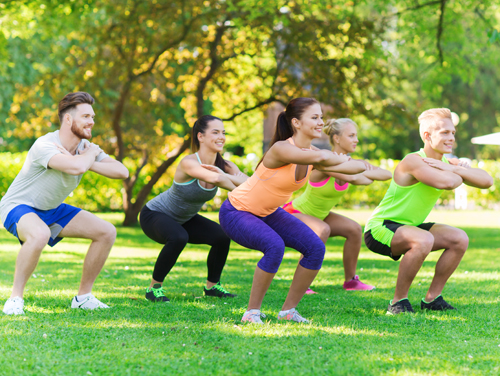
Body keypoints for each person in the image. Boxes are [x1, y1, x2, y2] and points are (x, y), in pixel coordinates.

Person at [218, 98, 367, 324]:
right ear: (296, 122)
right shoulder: (282, 149)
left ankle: (288, 311)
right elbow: (323, 158)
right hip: (237, 211)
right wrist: (336, 159)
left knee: (315, 247)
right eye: (314, 117)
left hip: (268, 212)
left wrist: (345, 161)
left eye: (321, 117)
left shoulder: (312, 153)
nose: (320, 122)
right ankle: (252, 313)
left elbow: (354, 168)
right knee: (274, 246)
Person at [1, 92, 129, 315]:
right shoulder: (45, 144)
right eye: (86, 116)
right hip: (18, 205)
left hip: (51, 208)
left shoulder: (86, 149)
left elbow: (122, 171)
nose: (92, 122)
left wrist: (86, 159)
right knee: (39, 234)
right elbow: (74, 168)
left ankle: (83, 297)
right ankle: (15, 298)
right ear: (68, 119)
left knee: (106, 232)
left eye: (93, 117)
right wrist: (84, 159)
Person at [363, 108, 493, 314]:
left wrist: (455, 167)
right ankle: (397, 302)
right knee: (424, 239)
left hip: (410, 227)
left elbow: (487, 181)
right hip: (381, 227)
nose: (451, 138)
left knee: (459, 238)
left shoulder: (446, 163)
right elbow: (449, 183)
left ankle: (432, 299)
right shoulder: (414, 161)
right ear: (427, 135)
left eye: (452, 133)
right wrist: (457, 169)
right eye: (444, 133)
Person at [139, 115, 247, 303]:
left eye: (223, 132)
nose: (221, 136)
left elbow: (249, 182)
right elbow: (217, 179)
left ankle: (212, 287)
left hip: (185, 218)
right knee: (179, 236)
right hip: (155, 214)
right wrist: (235, 184)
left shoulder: (225, 166)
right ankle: (153, 288)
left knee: (221, 236)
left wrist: (228, 176)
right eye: (215, 132)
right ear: (200, 136)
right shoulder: (188, 162)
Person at [284, 118, 392, 293]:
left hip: (320, 214)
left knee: (354, 229)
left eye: (356, 135)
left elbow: (386, 174)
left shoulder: (352, 164)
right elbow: (354, 177)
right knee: (322, 229)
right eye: (351, 135)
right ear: (337, 139)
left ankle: (351, 281)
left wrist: (358, 167)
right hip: (295, 212)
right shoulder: (323, 162)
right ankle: (302, 283)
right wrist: (360, 168)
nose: (356, 139)